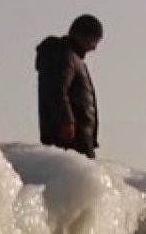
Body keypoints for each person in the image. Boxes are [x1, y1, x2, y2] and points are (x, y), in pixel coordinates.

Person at [35, 14, 103, 158]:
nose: (94, 47)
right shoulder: (64, 55)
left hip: (78, 137)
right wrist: (67, 121)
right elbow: (56, 89)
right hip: (70, 138)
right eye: (94, 41)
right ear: (84, 36)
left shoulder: (72, 58)